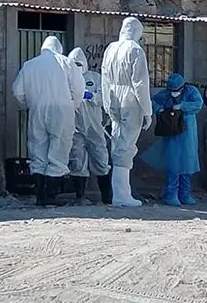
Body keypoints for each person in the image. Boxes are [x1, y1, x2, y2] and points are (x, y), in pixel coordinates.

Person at [11, 35, 85, 206]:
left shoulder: (29, 65)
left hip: (37, 109)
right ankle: (51, 196)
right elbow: (79, 89)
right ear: (58, 48)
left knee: (38, 149)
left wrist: (30, 104)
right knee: (59, 149)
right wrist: (72, 105)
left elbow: (17, 91)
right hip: (62, 110)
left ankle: (39, 196)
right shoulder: (67, 63)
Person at [101, 17, 152, 208]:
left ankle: (119, 193)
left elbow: (104, 79)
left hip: (113, 97)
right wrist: (147, 110)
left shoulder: (110, 48)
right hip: (130, 99)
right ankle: (122, 195)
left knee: (117, 144)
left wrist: (107, 104)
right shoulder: (135, 50)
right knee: (127, 146)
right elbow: (140, 83)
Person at [144, 73, 204, 206]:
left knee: (188, 162)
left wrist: (182, 106)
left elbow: (198, 104)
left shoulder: (191, 91)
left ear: (183, 87)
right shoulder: (165, 94)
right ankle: (170, 194)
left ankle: (184, 194)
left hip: (188, 131)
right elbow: (153, 102)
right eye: (172, 91)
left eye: (176, 91)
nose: (174, 93)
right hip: (171, 131)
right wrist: (158, 109)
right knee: (173, 163)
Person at [67, 47, 113, 205]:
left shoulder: (95, 78)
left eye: (79, 64)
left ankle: (107, 199)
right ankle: (80, 197)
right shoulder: (66, 79)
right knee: (77, 162)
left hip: (94, 128)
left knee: (101, 161)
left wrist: (90, 95)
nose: (77, 67)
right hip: (75, 128)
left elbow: (104, 98)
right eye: (74, 64)